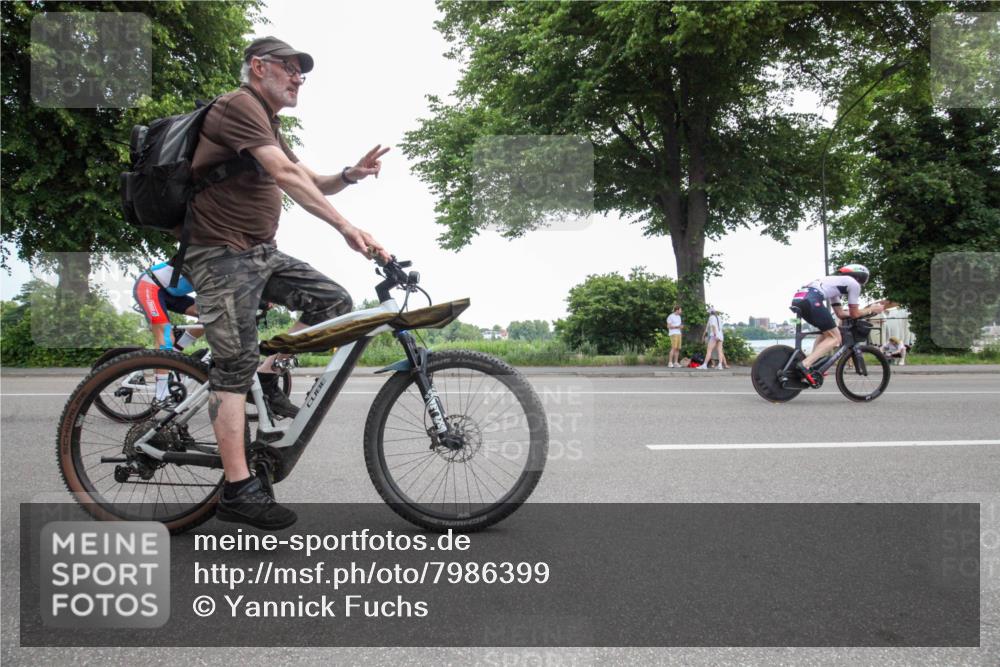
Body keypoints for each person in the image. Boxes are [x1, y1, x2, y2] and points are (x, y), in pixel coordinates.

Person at [181, 36, 391, 530]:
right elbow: (283, 175)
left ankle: (271, 367)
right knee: (233, 364)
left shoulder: (265, 119)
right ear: (259, 67)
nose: (299, 78)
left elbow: (304, 177)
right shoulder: (238, 106)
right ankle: (237, 488)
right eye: (291, 68)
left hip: (259, 254)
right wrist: (346, 227)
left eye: (302, 72)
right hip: (220, 253)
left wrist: (350, 175)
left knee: (335, 303)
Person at [133, 261, 298, 417]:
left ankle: (176, 351)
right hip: (150, 287)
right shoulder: (215, 262)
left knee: (213, 316)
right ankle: (161, 395)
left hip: (170, 292)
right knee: (165, 336)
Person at [790, 264, 886, 387]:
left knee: (827, 333)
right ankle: (805, 364)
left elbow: (840, 313)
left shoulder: (835, 285)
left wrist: (858, 313)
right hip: (812, 300)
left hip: (800, 299)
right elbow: (855, 313)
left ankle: (811, 365)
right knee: (836, 338)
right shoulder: (854, 284)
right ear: (861, 277)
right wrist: (871, 309)